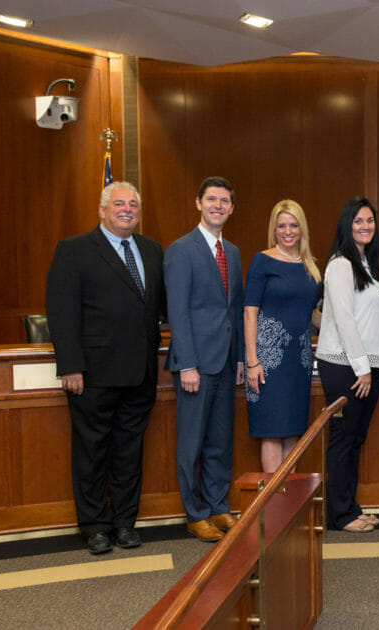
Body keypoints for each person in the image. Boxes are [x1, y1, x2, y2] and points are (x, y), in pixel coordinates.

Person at [45, 182, 164, 554]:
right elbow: (61, 314)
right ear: (102, 210)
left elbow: (156, 308)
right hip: (93, 374)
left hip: (140, 372)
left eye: (133, 204)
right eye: (119, 204)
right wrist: (71, 366)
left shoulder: (151, 250)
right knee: (92, 452)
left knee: (130, 452)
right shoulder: (74, 250)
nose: (127, 209)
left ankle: (124, 523)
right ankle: (95, 525)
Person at [164, 176, 245, 542]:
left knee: (220, 441)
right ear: (198, 203)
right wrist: (187, 364)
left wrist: (241, 358)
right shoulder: (181, 250)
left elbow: (236, 310)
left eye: (224, 201)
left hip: (227, 363)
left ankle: (217, 506)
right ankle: (195, 513)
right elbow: (178, 312)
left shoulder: (234, 252)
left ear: (231, 207)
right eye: (211, 199)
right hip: (196, 365)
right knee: (192, 443)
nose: (218, 205)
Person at [317, 196, 379, 533]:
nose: (365, 226)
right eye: (359, 221)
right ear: (347, 226)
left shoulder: (368, 265)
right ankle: (338, 514)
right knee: (343, 438)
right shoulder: (340, 264)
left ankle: (350, 506)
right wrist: (363, 367)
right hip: (344, 366)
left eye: (370, 221)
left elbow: (378, 322)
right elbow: (345, 321)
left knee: (356, 439)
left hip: (368, 366)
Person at [243, 200, 321, 472]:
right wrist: (252, 361)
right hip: (267, 361)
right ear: (274, 230)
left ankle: (291, 509)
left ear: (302, 229)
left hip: (298, 363)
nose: (288, 231)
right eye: (282, 226)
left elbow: (309, 313)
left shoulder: (310, 266)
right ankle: (273, 511)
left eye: (293, 225)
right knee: (272, 431)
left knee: (293, 432)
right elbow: (249, 313)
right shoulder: (262, 260)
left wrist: (343, 330)